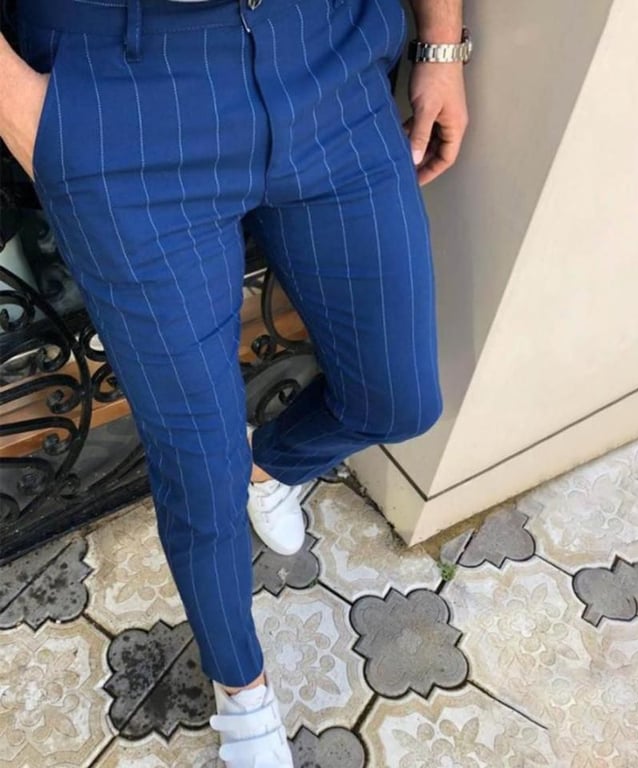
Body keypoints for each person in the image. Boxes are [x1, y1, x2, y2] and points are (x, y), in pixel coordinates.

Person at [0, 0, 468, 765]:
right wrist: (20, 108)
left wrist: (441, 44)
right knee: (198, 465)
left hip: (327, 51)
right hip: (120, 82)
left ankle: (269, 465)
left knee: (398, 399)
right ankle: (241, 691)